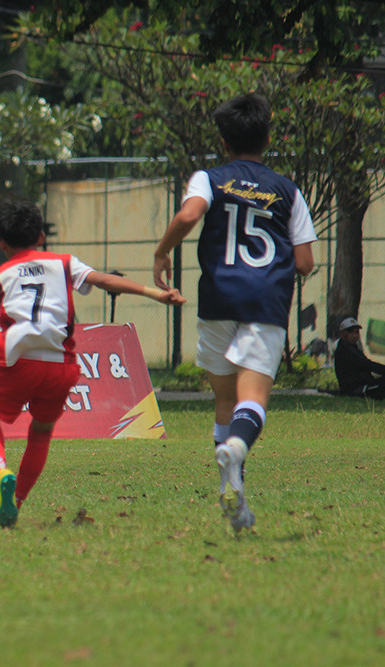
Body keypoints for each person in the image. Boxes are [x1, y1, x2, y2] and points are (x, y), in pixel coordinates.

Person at [153, 93, 317, 533]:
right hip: (264, 304)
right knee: (252, 400)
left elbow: (189, 215)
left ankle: (235, 498)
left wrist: (162, 251)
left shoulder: (209, 178)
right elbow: (305, 263)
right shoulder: (287, 190)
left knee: (225, 402)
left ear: (223, 141)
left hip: (217, 299)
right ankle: (238, 450)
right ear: (268, 138)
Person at [0, 198, 186, 528]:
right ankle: (16, 502)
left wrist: (4, 342)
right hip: (61, 366)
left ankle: (1, 471)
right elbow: (104, 281)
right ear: (41, 237)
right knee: (41, 433)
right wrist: (157, 293)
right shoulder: (63, 263)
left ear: (1, 242)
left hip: (20, 363)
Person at [334, 317, 385, 399]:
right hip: (356, 390)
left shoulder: (350, 347)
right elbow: (368, 364)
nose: (355, 335)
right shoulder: (346, 350)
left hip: (362, 385)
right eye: (350, 332)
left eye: (357, 332)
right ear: (342, 334)